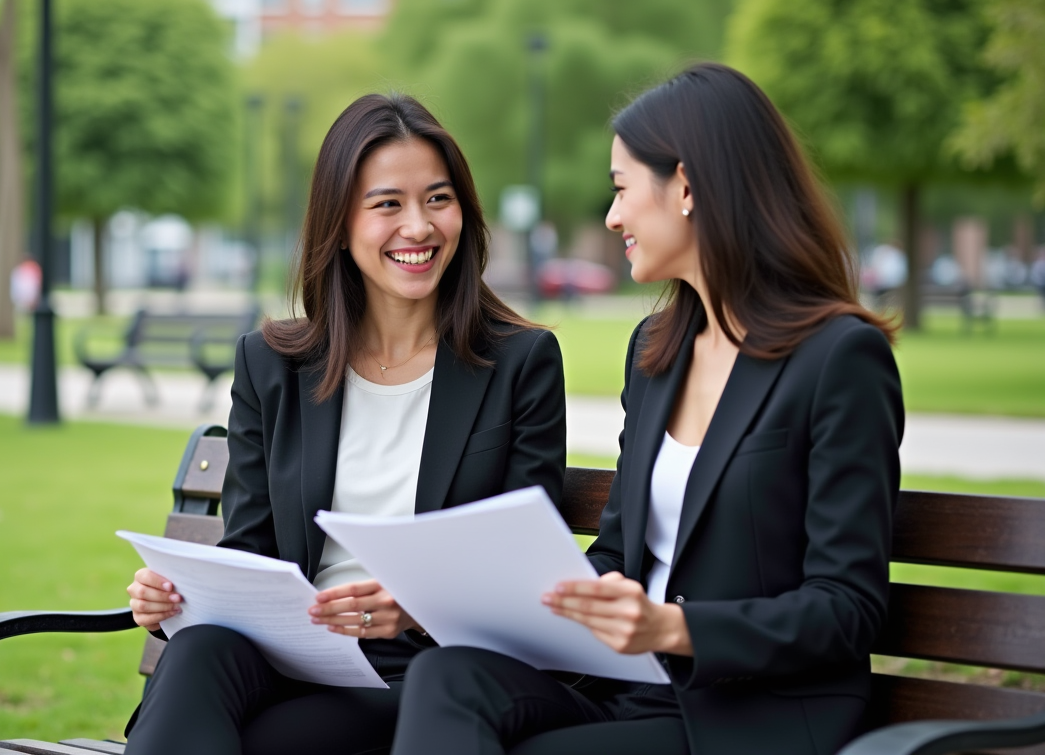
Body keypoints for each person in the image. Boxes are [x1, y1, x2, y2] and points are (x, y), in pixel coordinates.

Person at [390, 63, 904, 755]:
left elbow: (848, 609)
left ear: (687, 187)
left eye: (622, 189)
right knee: (447, 677)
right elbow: (618, 554)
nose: (612, 216)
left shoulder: (838, 357)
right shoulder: (656, 351)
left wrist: (673, 629)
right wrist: (463, 598)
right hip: (628, 690)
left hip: (748, 715)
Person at [122, 93, 567, 755]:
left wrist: (412, 607)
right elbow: (251, 546)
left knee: (252, 738)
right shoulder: (273, 363)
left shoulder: (518, 363)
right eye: (387, 204)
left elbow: (522, 575)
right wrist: (178, 597)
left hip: (424, 674)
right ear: (339, 222)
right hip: (288, 657)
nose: (417, 227)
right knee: (198, 652)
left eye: (437, 200)